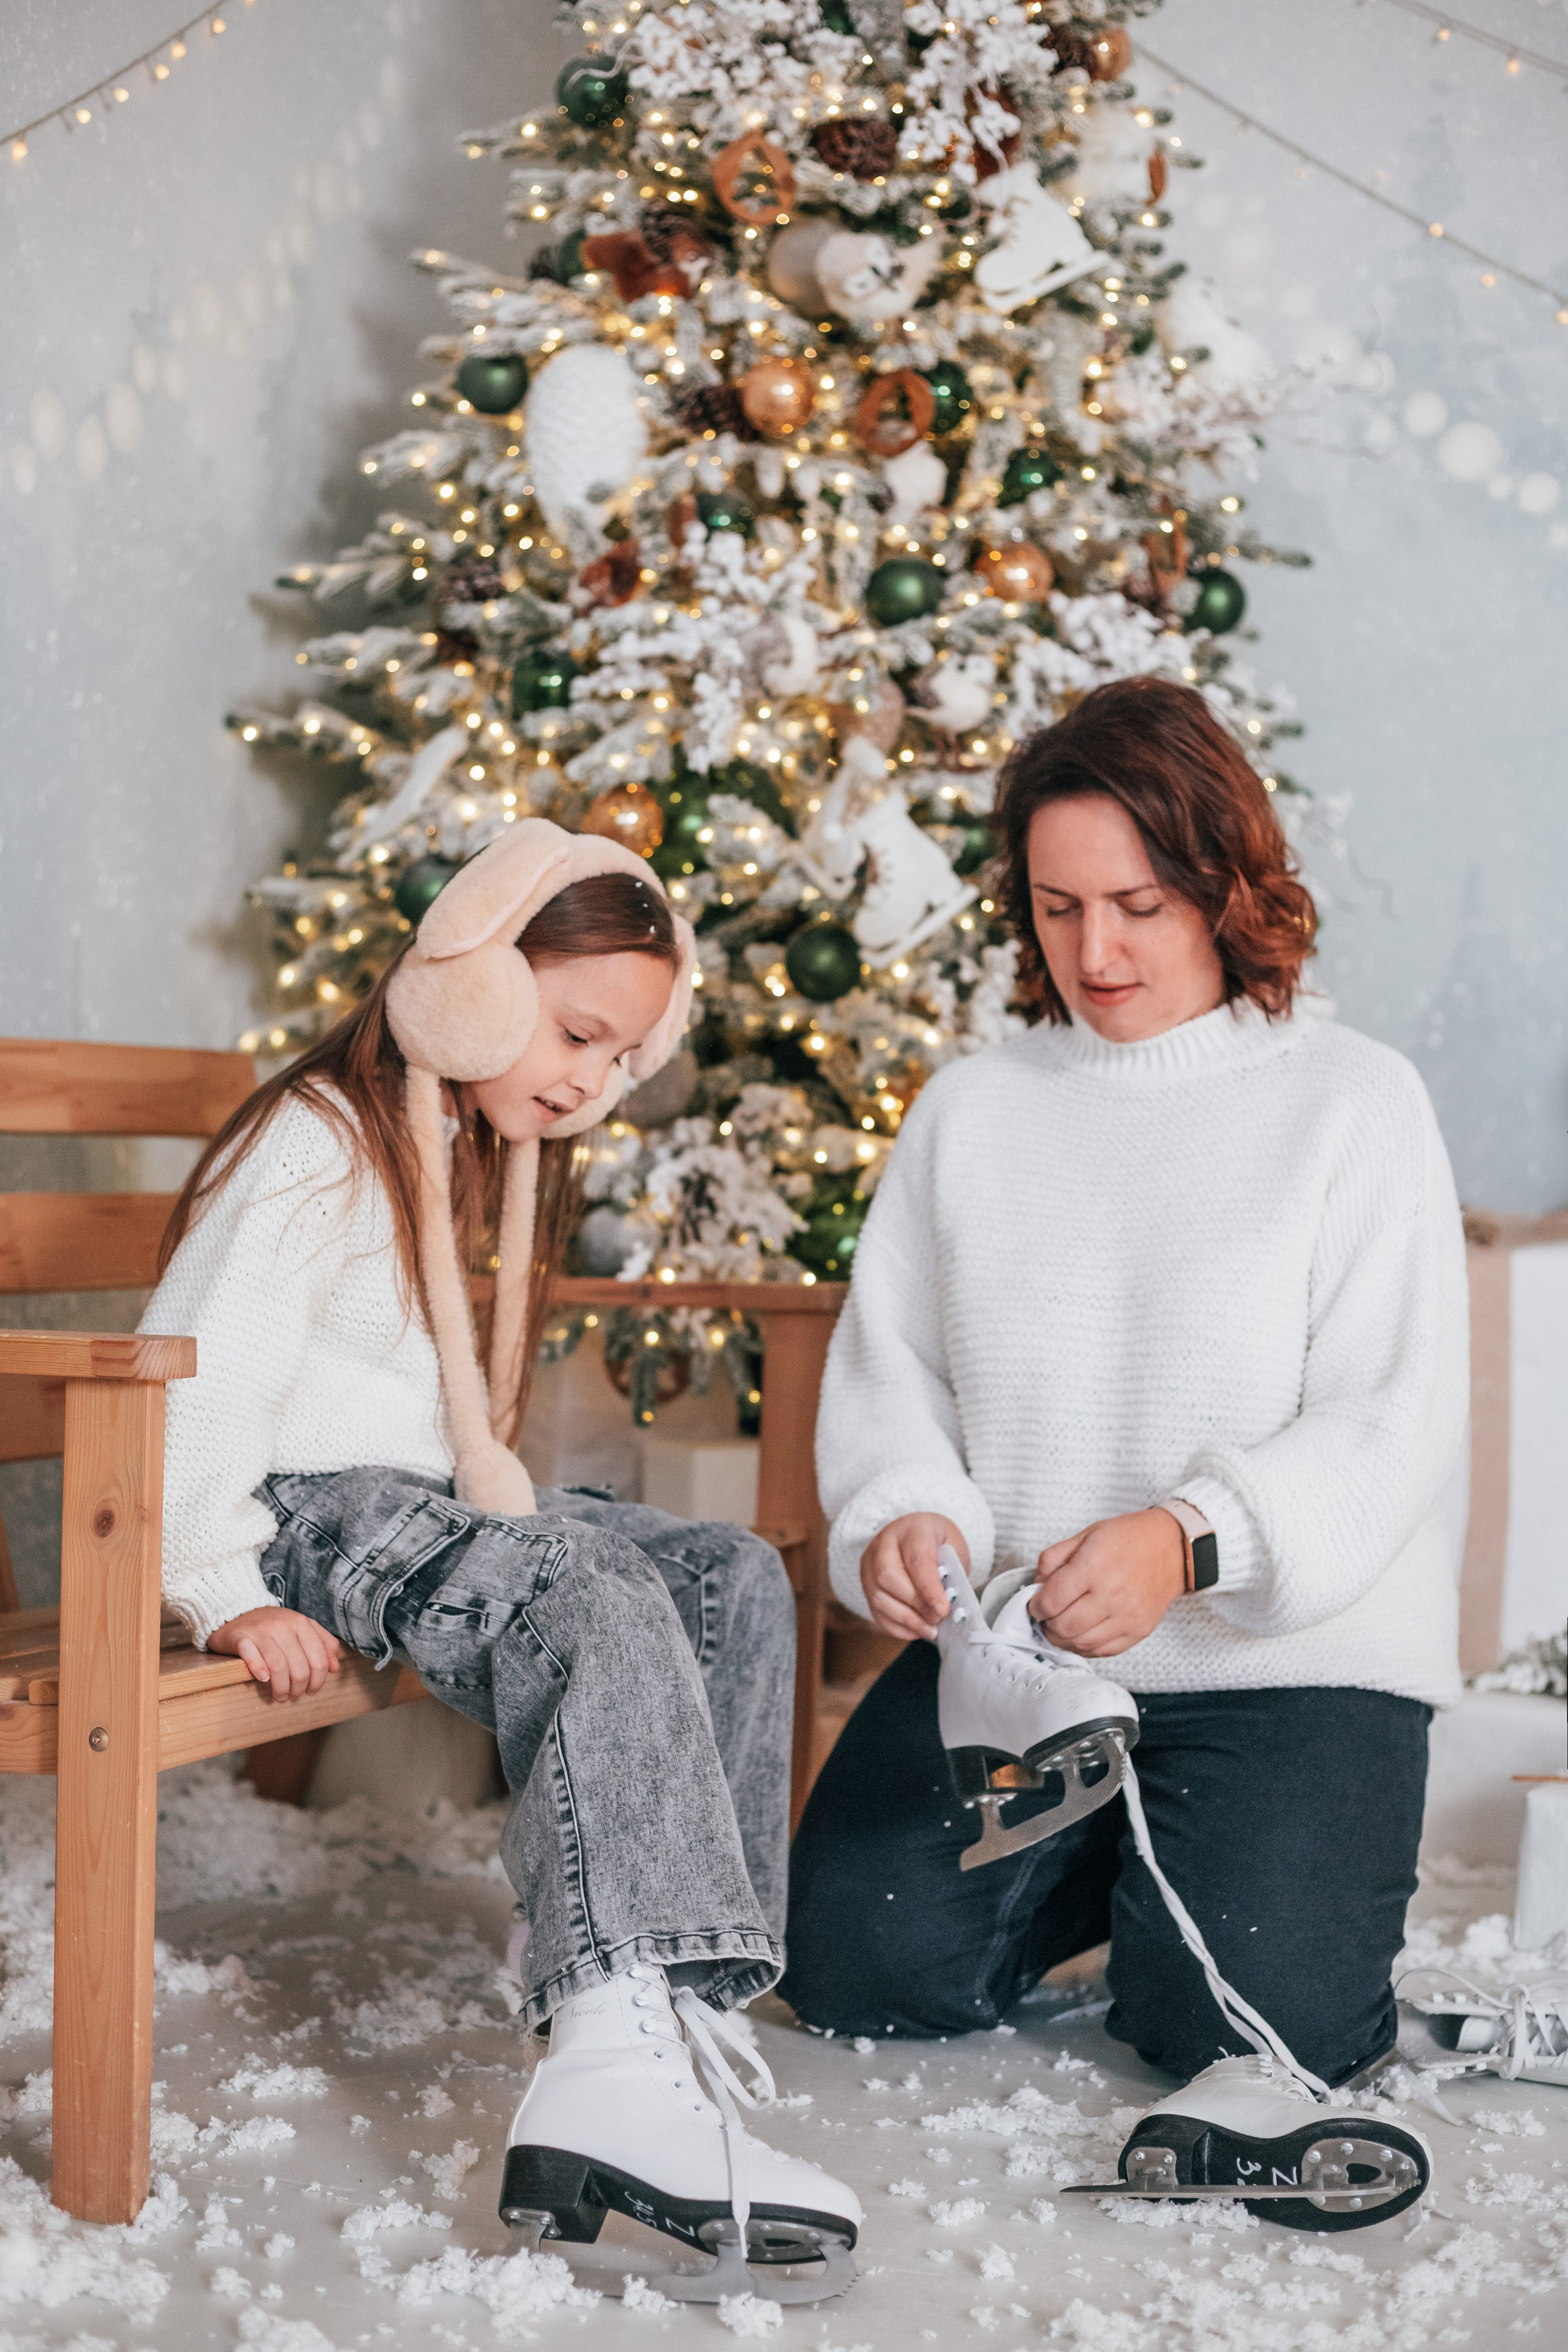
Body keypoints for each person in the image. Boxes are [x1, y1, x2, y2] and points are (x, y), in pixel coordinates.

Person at [141, 820, 859, 2293]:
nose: (592, 1078)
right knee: (586, 1595)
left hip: (422, 1505)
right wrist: (220, 1589)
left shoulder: (457, 1142)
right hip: (308, 1507)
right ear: (468, 977)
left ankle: (664, 2002)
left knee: (724, 1576)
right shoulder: (321, 1141)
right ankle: (606, 2055)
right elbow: (197, 1371)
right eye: (579, 1030)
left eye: (619, 1061)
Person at [783, 677, 1469, 2096]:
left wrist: (1185, 1539)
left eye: (1138, 905)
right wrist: (905, 1512)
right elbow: (892, 1368)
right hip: (1028, 1665)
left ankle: (1185, 1890)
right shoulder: (969, 1109)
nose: (1092, 951)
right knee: (855, 1968)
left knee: (1246, 2037)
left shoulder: (1351, 1099)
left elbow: (1388, 1416)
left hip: (1285, 1666)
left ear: (1222, 884)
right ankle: (1113, 1873)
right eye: (1054, 907)